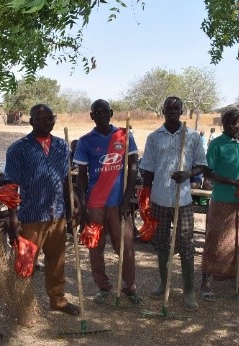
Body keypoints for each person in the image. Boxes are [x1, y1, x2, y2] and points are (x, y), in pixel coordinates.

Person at [4, 103, 80, 317]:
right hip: (30, 215)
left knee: (56, 261)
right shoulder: (18, 149)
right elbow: (11, 185)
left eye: (49, 119)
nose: (45, 123)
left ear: (54, 120)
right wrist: (13, 216)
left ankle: (58, 300)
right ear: (31, 122)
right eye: (39, 119)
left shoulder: (62, 146)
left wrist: (74, 199)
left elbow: (65, 178)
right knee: (25, 262)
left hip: (57, 213)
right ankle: (21, 305)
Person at [139, 96, 206, 309]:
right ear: (163, 110)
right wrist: (146, 199)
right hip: (159, 199)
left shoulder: (192, 137)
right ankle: (163, 283)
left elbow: (202, 166)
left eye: (177, 108)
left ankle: (188, 291)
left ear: (182, 111)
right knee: (161, 244)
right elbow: (147, 170)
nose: (173, 111)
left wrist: (188, 173)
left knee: (186, 245)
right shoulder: (154, 137)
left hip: (183, 200)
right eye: (169, 108)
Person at [73, 99, 142, 305]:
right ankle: (103, 287)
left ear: (111, 113)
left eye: (105, 111)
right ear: (91, 116)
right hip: (95, 204)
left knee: (125, 246)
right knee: (95, 247)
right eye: (97, 112)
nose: (102, 115)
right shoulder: (85, 141)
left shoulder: (124, 135)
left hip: (118, 203)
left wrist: (127, 197)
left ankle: (129, 288)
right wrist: (83, 205)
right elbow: (82, 176)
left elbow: (133, 168)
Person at [200, 104, 239, 300]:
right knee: (215, 240)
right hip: (221, 199)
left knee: (237, 241)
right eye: (227, 123)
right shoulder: (217, 145)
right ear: (222, 124)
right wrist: (232, 181)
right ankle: (205, 281)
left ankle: (233, 275)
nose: (232, 126)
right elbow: (208, 172)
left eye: (236, 123)